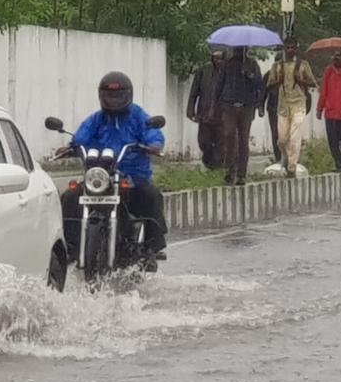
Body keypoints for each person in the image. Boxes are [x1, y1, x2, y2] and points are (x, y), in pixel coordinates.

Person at [60, 72, 167, 262]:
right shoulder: (96, 119)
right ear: (101, 97)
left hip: (133, 175)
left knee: (150, 195)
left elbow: (152, 133)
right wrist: (70, 147)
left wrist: (154, 145)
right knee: (69, 197)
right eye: (109, 96)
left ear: (129, 95)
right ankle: (70, 245)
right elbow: (81, 137)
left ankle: (152, 247)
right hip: (100, 175)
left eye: (118, 97)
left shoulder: (138, 116)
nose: (114, 101)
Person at [266, 40, 317, 177]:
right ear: (284, 49)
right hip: (283, 106)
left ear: (296, 49)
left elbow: (312, 83)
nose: (289, 50)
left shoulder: (303, 65)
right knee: (282, 139)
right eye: (287, 48)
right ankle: (286, 158)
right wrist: (279, 79)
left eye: (292, 47)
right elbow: (269, 84)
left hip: (299, 104)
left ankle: (292, 167)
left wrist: (300, 80)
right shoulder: (277, 66)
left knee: (295, 137)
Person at [213, 48, 264, 185]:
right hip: (229, 105)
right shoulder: (227, 64)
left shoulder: (252, 64)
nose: (238, 51)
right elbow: (219, 85)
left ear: (245, 49)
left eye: (241, 48)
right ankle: (230, 171)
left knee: (243, 139)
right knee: (229, 136)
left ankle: (242, 174)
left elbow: (260, 84)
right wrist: (215, 105)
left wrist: (249, 75)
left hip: (246, 106)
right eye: (236, 49)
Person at [186, 51, 224, 169]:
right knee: (204, 142)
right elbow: (194, 92)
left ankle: (218, 167)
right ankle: (208, 162)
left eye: (221, 59)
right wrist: (190, 110)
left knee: (220, 144)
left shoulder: (228, 72)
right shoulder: (203, 71)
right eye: (216, 58)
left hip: (222, 116)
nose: (218, 61)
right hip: (205, 114)